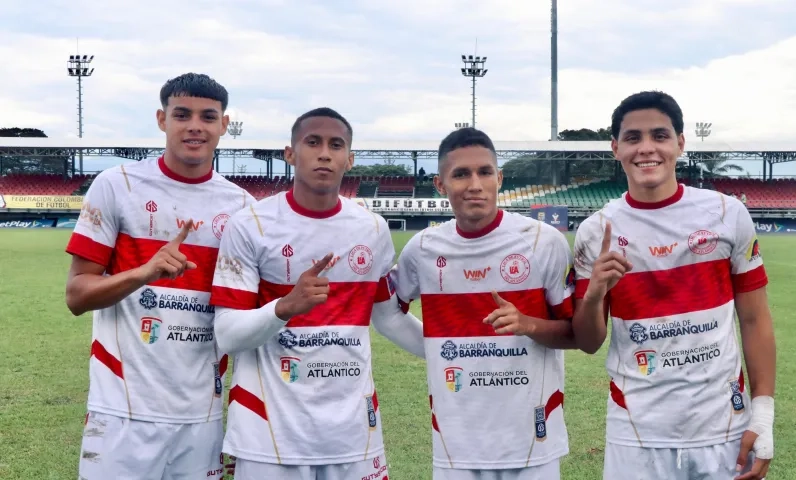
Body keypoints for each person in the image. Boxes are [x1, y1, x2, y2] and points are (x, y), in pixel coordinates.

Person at [209, 107, 425, 480]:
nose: (324, 153)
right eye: (313, 142)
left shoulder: (371, 229)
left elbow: (388, 316)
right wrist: (285, 307)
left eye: (335, 144)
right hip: (269, 431)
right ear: (290, 154)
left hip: (353, 430)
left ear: (350, 158)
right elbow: (226, 334)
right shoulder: (250, 225)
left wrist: (454, 349)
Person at [571, 91, 776, 480]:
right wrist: (596, 292)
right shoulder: (596, 231)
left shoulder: (726, 213)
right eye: (633, 138)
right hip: (635, 433)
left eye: (659, 135)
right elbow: (588, 341)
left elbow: (754, 318)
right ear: (615, 148)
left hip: (724, 427)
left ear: (680, 143)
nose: (646, 148)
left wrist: (763, 414)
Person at [65, 72, 255, 479]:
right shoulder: (117, 185)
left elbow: (244, 314)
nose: (194, 126)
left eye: (208, 116)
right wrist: (144, 272)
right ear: (161, 118)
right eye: (182, 114)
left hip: (201, 414)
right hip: (121, 410)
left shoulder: (241, 206)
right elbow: (77, 295)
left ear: (224, 125)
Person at [391, 127, 577, 480]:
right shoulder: (422, 249)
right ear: (440, 184)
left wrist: (527, 324)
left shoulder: (543, 242)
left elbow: (575, 334)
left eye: (484, 172)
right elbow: (387, 314)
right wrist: (436, 348)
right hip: (455, 443)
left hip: (532, 443)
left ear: (499, 178)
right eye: (460, 174)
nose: (474, 184)